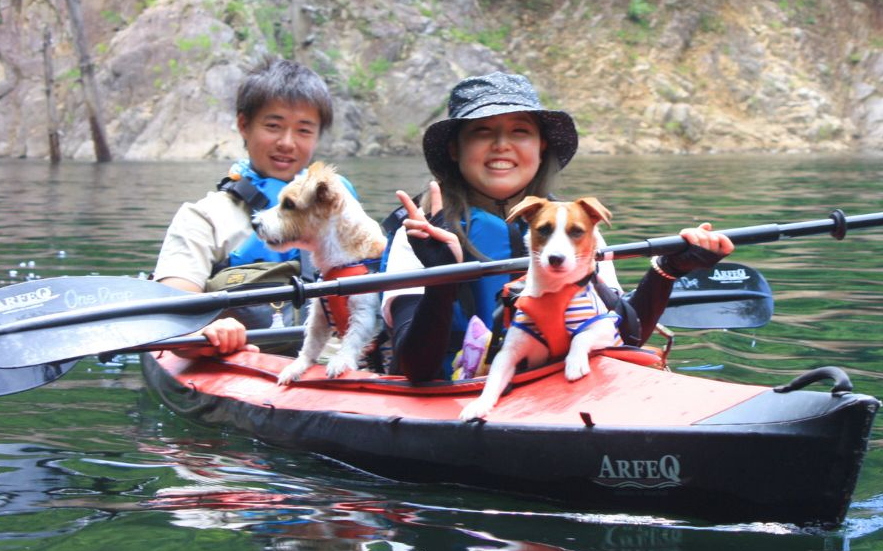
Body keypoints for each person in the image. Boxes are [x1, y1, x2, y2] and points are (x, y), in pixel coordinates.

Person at [381, 71, 735, 382]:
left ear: (541, 146)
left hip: (555, 383)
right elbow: (416, 371)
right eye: (482, 131)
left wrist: (668, 270)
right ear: (455, 149)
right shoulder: (420, 234)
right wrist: (441, 278)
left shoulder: (574, 228)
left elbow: (623, 336)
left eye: (520, 131)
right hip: (456, 389)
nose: (501, 145)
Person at [151, 56, 336, 355]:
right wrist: (205, 333)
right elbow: (172, 319)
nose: (287, 143)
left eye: (304, 131)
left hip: (332, 361)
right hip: (243, 361)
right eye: (273, 126)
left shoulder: (338, 213)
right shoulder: (202, 218)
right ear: (243, 125)